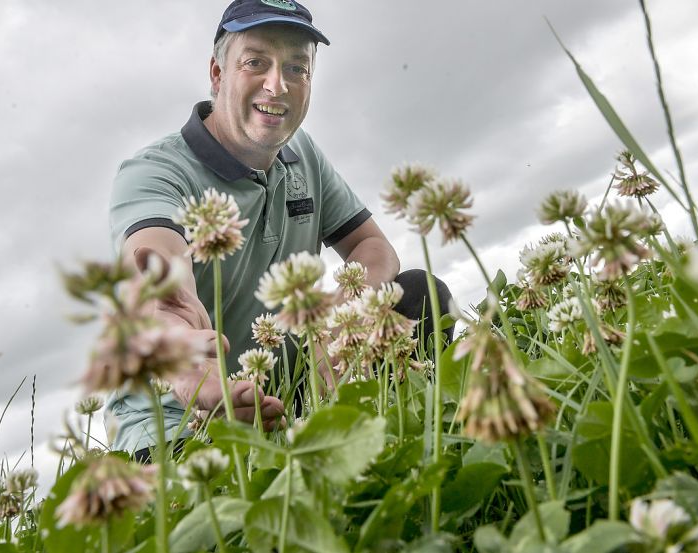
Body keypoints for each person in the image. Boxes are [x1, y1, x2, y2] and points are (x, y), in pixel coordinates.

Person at [106, 0, 452, 460]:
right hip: (180, 414)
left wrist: (342, 319)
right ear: (217, 73)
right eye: (255, 62)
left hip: (289, 394)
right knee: (214, 516)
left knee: (418, 293)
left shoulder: (302, 152)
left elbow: (372, 246)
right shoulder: (155, 172)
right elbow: (159, 281)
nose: (278, 84)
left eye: (297, 67)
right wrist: (183, 357)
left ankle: (392, 441)